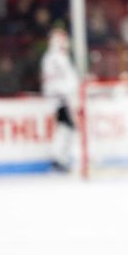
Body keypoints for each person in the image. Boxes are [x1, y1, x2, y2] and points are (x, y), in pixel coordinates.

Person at [41, 27, 79, 172]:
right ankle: (59, 159)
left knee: (67, 128)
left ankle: (61, 158)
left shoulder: (53, 58)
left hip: (61, 98)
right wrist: (67, 93)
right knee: (67, 128)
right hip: (60, 99)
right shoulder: (55, 58)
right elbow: (58, 82)